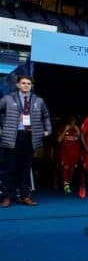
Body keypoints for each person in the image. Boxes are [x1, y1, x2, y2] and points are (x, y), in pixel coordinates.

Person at [0, 75, 51, 207]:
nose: (26, 85)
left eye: (29, 83)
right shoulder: (8, 98)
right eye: (23, 83)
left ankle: (25, 196)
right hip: (12, 136)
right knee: (9, 168)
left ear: (31, 86)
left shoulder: (38, 101)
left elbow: (45, 116)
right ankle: (7, 197)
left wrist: (48, 130)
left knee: (25, 168)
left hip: (30, 137)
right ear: (18, 85)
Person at [57, 116, 81, 194]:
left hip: (75, 153)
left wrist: (78, 132)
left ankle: (68, 182)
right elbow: (59, 140)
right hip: (65, 153)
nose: (73, 124)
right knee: (66, 167)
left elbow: (81, 140)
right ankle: (66, 184)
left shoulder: (77, 129)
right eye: (71, 122)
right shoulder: (63, 128)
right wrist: (65, 131)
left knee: (72, 169)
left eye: (74, 122)